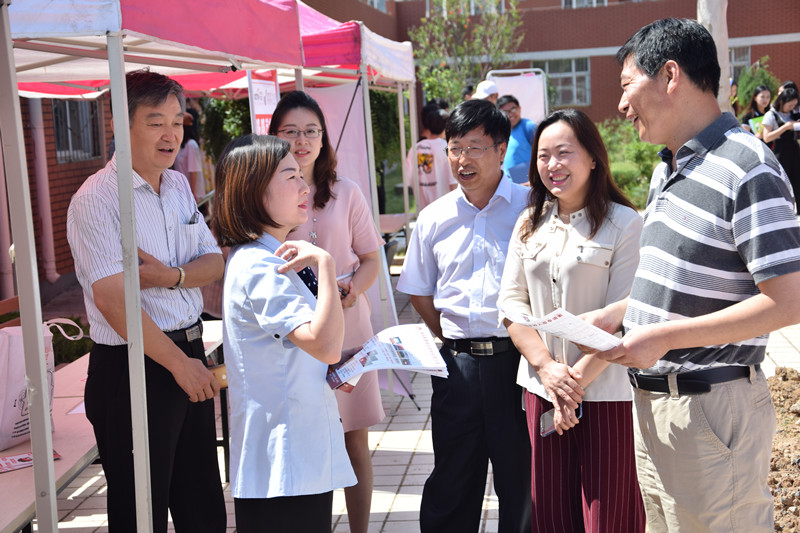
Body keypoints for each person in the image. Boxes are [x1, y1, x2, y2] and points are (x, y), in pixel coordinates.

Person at [588, 18, 800, 532]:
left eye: (626, 85)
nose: (622, 105)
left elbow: (789, 301)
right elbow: (683, 281)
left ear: (670, 75)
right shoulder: (669, 167)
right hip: (656, 409)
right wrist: (620, 313)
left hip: (710, 409)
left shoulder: (748, 166)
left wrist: (664, 337)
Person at [66, 69, 226, 533]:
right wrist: (179, 364)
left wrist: (171, 276)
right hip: (134, 366)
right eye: (156, 122)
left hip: (188, 352)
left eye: (177, 122)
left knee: (203, 509)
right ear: (121, 122)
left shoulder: (176, 186)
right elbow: (113, 299)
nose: (171, 135)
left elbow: (213, 262)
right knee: (141, 515)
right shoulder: (97, 199)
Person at [498, 109, 645, 532]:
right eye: (543, 156)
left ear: (594, 157)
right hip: (542, 390)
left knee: (609, 515)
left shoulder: (625, 223)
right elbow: (510, 303)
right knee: (551, 515)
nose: (552, 165)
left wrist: (572, 386)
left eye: (564, 153)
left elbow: (627, 312)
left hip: (607, 394)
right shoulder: (529, 223)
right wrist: (547, 370)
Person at [398, 99, 531, 533]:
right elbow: (419, 291)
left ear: (501, 149)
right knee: (452, 483)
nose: (462, 160)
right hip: (458, 369)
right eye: (455, 148)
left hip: (519, 365)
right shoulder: (434, 218)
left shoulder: (531, 208)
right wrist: (454, 340)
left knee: (523, 483)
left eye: (475, 147)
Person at [211, 134, 355, 532]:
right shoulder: (260, 265)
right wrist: (326, 264)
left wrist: (342, 362)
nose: (304, 187)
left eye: (300, 176)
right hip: (282, 457)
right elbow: (324, 345)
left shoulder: (270, 255)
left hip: (296, 451)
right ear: (254, 190)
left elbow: (314, 346)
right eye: (290, 177)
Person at [267, 91, 385, 533]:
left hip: (350, 327)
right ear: (274, 136)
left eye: (311, 131)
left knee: (355, 441)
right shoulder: (267, 193)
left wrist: (353, 289)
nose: (302, 141)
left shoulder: (347, 192)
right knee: (305, 439)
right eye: (291, 132)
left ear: (323, 138)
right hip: (296, 333)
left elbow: (370, 258)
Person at [406, 105, 457, 210]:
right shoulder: (447, 148)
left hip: (422, 209)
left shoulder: (415, 148)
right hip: (445, 208)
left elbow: (408, 178)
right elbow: (453, 182)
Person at [762, 87, 800, 211]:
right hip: (780, 153)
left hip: (794, 150)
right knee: (782, 183)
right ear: (782, 102)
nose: (791, 108)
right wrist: (786, 127)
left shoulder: (794, 113)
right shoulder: (771, 115)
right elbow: (767, 137)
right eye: (790, 105)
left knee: (797, 180)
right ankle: (783, 211)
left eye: (794, 105)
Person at [497, 94, 537, 185]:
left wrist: (534, 180)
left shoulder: (528, 126)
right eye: (505, 111)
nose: (510, 114)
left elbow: (541, 153)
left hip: (529, 184)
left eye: (513, 109)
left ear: (519, 108)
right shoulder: (501, 132)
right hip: (510, 184)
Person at [174, 113, 205, 202]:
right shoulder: (180, 146)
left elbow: (193, 171)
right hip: (183, 194)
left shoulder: (191, 145)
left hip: (193, 196)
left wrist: (192, 193)